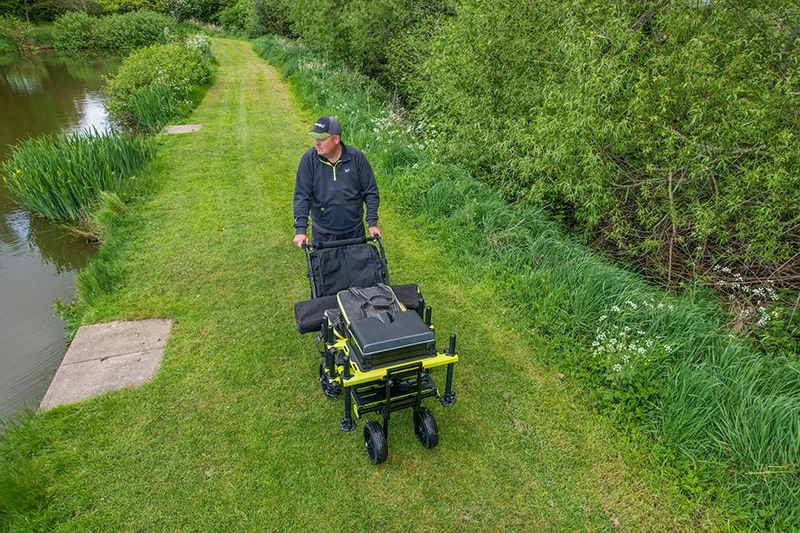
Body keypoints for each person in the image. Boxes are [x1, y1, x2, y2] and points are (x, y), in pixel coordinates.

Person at [293, 116, 381, 247]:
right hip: (323, 233)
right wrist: (300, 230)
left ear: (336, 139)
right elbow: (302, 196)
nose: (317, 143)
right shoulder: (309, 160)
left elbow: (370, 191)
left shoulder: (356, 157)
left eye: (322, 139)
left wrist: (372, 223)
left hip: (355, 231)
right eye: (315, 138)